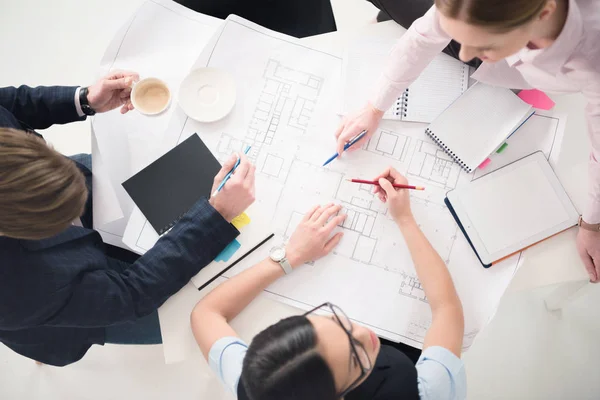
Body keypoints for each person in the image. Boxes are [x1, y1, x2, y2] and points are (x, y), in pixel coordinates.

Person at [0, 73, 256, 366]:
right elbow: (131, 294)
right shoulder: (17, 289)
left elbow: (7, 103)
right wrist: (216, 216)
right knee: (188, 314)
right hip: (62, 309)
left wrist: (83, 99)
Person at [335, 0, 600, 282]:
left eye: (484, 44)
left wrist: (592, 224)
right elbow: (423, 37)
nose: (464, 55)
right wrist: (375, 107)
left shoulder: (591, 61)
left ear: (544, 14)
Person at [192, 168, 466, 400]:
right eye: (355, 359)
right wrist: (405, 218)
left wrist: (289, 256)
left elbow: (206, 314)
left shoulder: (264, 384)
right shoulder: (425, 393)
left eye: (337, 322)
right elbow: (447, 310)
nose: (363, 334)